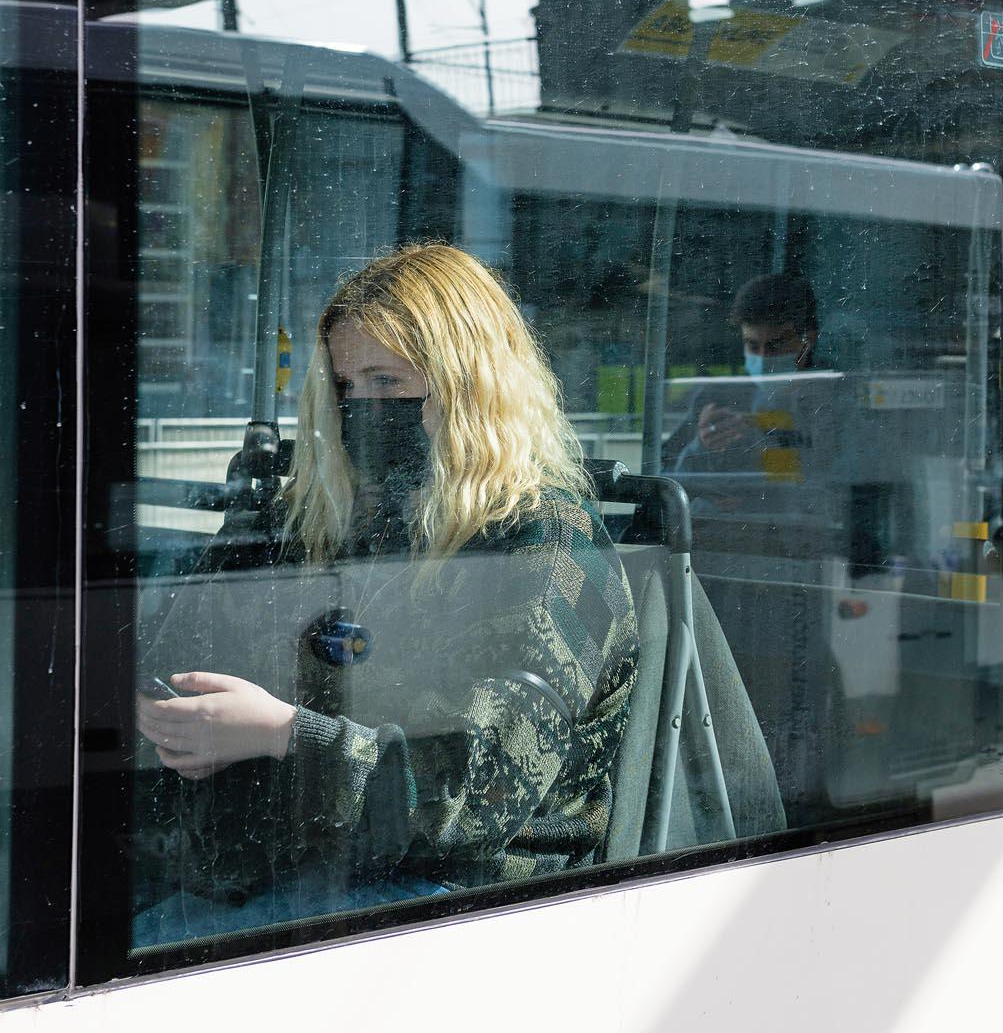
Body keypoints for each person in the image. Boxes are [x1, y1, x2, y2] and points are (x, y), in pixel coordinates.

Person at [136, 243, 638, 940]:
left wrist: (282, 732)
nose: (360, 410)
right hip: (309, 859)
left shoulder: (548, 545)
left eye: (385, 382)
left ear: (465, 387)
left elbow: (476, 792)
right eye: (343, 388)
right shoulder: (352, 520)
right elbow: (192, 621)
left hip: (465, 896)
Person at [663, 273, 822, 472]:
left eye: (777, 345)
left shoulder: (837, 402)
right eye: (753, 346)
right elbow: (669, 480)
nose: (764, 357)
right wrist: (702, 447)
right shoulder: (717, 400)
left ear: (808, 341)